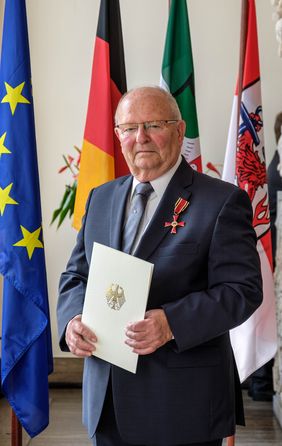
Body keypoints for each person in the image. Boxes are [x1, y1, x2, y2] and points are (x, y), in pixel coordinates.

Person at [57, 86, 262, 446]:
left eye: (154, 124)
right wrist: (73, 320)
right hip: (106, 403)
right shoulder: (100, 198)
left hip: (182, 407)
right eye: (130, 127)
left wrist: (171, 323)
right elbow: (76, 275)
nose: (141, 138)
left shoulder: (222, 202)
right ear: (118, 135)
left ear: (180, 131)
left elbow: (241, 291)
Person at [248, 111, 282, 402]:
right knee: (269, 313)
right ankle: (261, 384)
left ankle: (262, 383)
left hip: (271, 253)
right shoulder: (278, 169)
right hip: (272, 255)